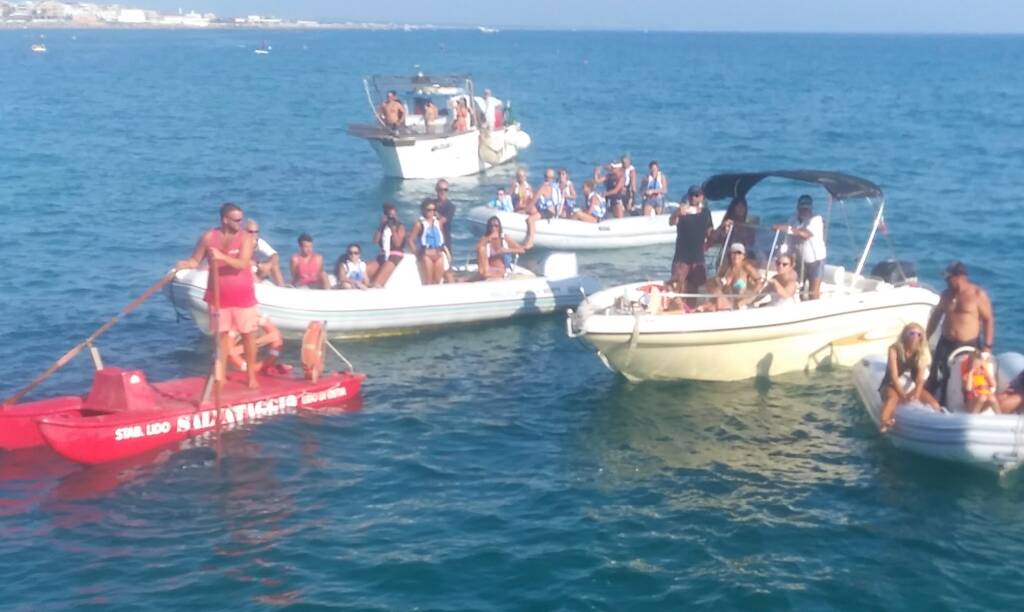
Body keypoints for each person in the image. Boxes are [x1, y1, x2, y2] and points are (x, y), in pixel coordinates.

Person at [175, 202, 259, 389]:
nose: (240, 222)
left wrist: (222, 257)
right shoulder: (208, 237)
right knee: (220, 339)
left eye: (241, 219)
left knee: (248, 336)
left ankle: (251, 375)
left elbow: (242, 263)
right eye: (236, 220)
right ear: (225, 220)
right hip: (218, 297)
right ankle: (220, 377)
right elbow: (195, 260)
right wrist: (183, 264)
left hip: (243, 297)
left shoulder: (246, 238)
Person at [925, 261, 995, 404]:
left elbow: (988, 320)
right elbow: (936, 315)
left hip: (968, 345)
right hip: (945, 342)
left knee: (964, 377)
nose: (945, 281)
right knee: (936, 375)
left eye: (948, 277)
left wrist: (987, 348)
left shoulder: (977, 294)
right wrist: (926, 337)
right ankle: (934, 404)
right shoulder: (946, 295)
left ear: (959, 277)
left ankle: (966, 404)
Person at [878, 323, 941, 433]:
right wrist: (902, 395)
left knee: (934, 404)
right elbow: (893, 376)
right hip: (891, 384)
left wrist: (916, 394)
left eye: (919, 334)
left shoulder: (922, 352)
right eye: (911, 333)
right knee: (893, 399)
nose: (915, 337)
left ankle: (938, 426)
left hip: (910, 385)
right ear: (904, 335)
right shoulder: (894, 349)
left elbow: (920, 379)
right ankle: (884, 422)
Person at [774, 195, 826, 300]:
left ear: (811, 208)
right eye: (802, 207)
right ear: (798, 207)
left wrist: (787, 228)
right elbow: (788, 238)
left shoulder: (816, 219)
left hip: (815, 260)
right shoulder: (793, 219)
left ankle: (816, 310)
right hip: (799, 258)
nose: (805, 210)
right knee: (799, 287)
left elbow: (806, 234)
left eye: (807, 208)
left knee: (813, 291)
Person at [669, 185, 713, 304]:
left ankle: (692, 313)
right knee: (677, 291)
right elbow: (671, 222)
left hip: (697, 258)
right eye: (692, 195)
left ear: (702, 197)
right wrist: (677, 212)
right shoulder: (683, 212)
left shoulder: (706, 213)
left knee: (695, 293)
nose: (694, 197)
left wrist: (722, 231)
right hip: (681, 258)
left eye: (697, 195)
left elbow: (710, 233)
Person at [708, 243, 759, 311]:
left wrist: (749, 295)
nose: (736, 255)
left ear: (743, 256)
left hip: (741, 304)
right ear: (730, 255)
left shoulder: (746, 267)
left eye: (739, 253)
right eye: (733, 253)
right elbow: (714, 284)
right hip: (726, 302)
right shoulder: (725, 268)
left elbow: (760, 283)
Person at [408, 198, 447, 285]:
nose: (431, 212)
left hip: (438, 253)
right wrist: (417, 253)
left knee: (437, 282)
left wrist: (442, 248)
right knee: (428, 282)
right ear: (423, 210)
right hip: (427, 254)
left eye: (433, 210)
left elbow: (441, 235)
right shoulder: (419, 224)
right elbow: (410, 240)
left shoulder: (438, 222)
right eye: (429, 210)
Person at [366, 203, 406, 288]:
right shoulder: (383, 227)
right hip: (383, 254)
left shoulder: (400, 226)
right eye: (389, 216)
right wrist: (381, 226)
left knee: (377, 282)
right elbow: (375, 241)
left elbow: (398, 243)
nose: (392, 218)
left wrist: (393, 230)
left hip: (395, 255)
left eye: (394, 215)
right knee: (365, 271)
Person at [245, 220, 285, 286]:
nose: (253, 234)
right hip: (245, 271)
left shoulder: (258, 242)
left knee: (274, 264)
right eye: (250, 232)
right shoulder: (240, 242)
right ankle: (257, 285)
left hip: (257, 270)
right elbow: (241, 261)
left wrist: (268, 265)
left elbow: (275, 255)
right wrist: (258, 264)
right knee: (248, 267)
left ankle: (281, 287)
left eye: (256, 232)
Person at [962, 349, 998, 414]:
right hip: (971, 403)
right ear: (970, 365)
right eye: (974, 365)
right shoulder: (967, 375)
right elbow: (968, 388)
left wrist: (986, 372)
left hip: (984, 402)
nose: (976, 368)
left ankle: (1000, 416)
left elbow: (994, 385)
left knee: (992, 398)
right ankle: (973, 416)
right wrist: (971, 373)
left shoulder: (984, 374)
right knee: (982, 397)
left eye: (978, 365)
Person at [435, 178, 456, 257]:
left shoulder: (450, 206)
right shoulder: (431, 203)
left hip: (444, 240)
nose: (443, 192)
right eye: (440, 189)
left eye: (445, 189)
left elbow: (441, 221)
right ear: (436, 190)